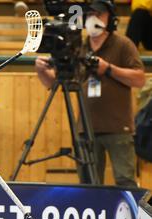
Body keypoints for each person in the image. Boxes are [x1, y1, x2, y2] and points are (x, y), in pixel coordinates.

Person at [35, 0, 146, 187]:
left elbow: (139, 79)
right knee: (88, 183)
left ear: (110, 18)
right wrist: (41, 70)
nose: (93, 18)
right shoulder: (78, 46)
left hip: (118, 128)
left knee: (125, 180)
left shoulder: (123, 44)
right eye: (89, 14)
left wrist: (108, 69)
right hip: (86, 129)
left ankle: (131, 216)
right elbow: (56, 83)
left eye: (99, 14)